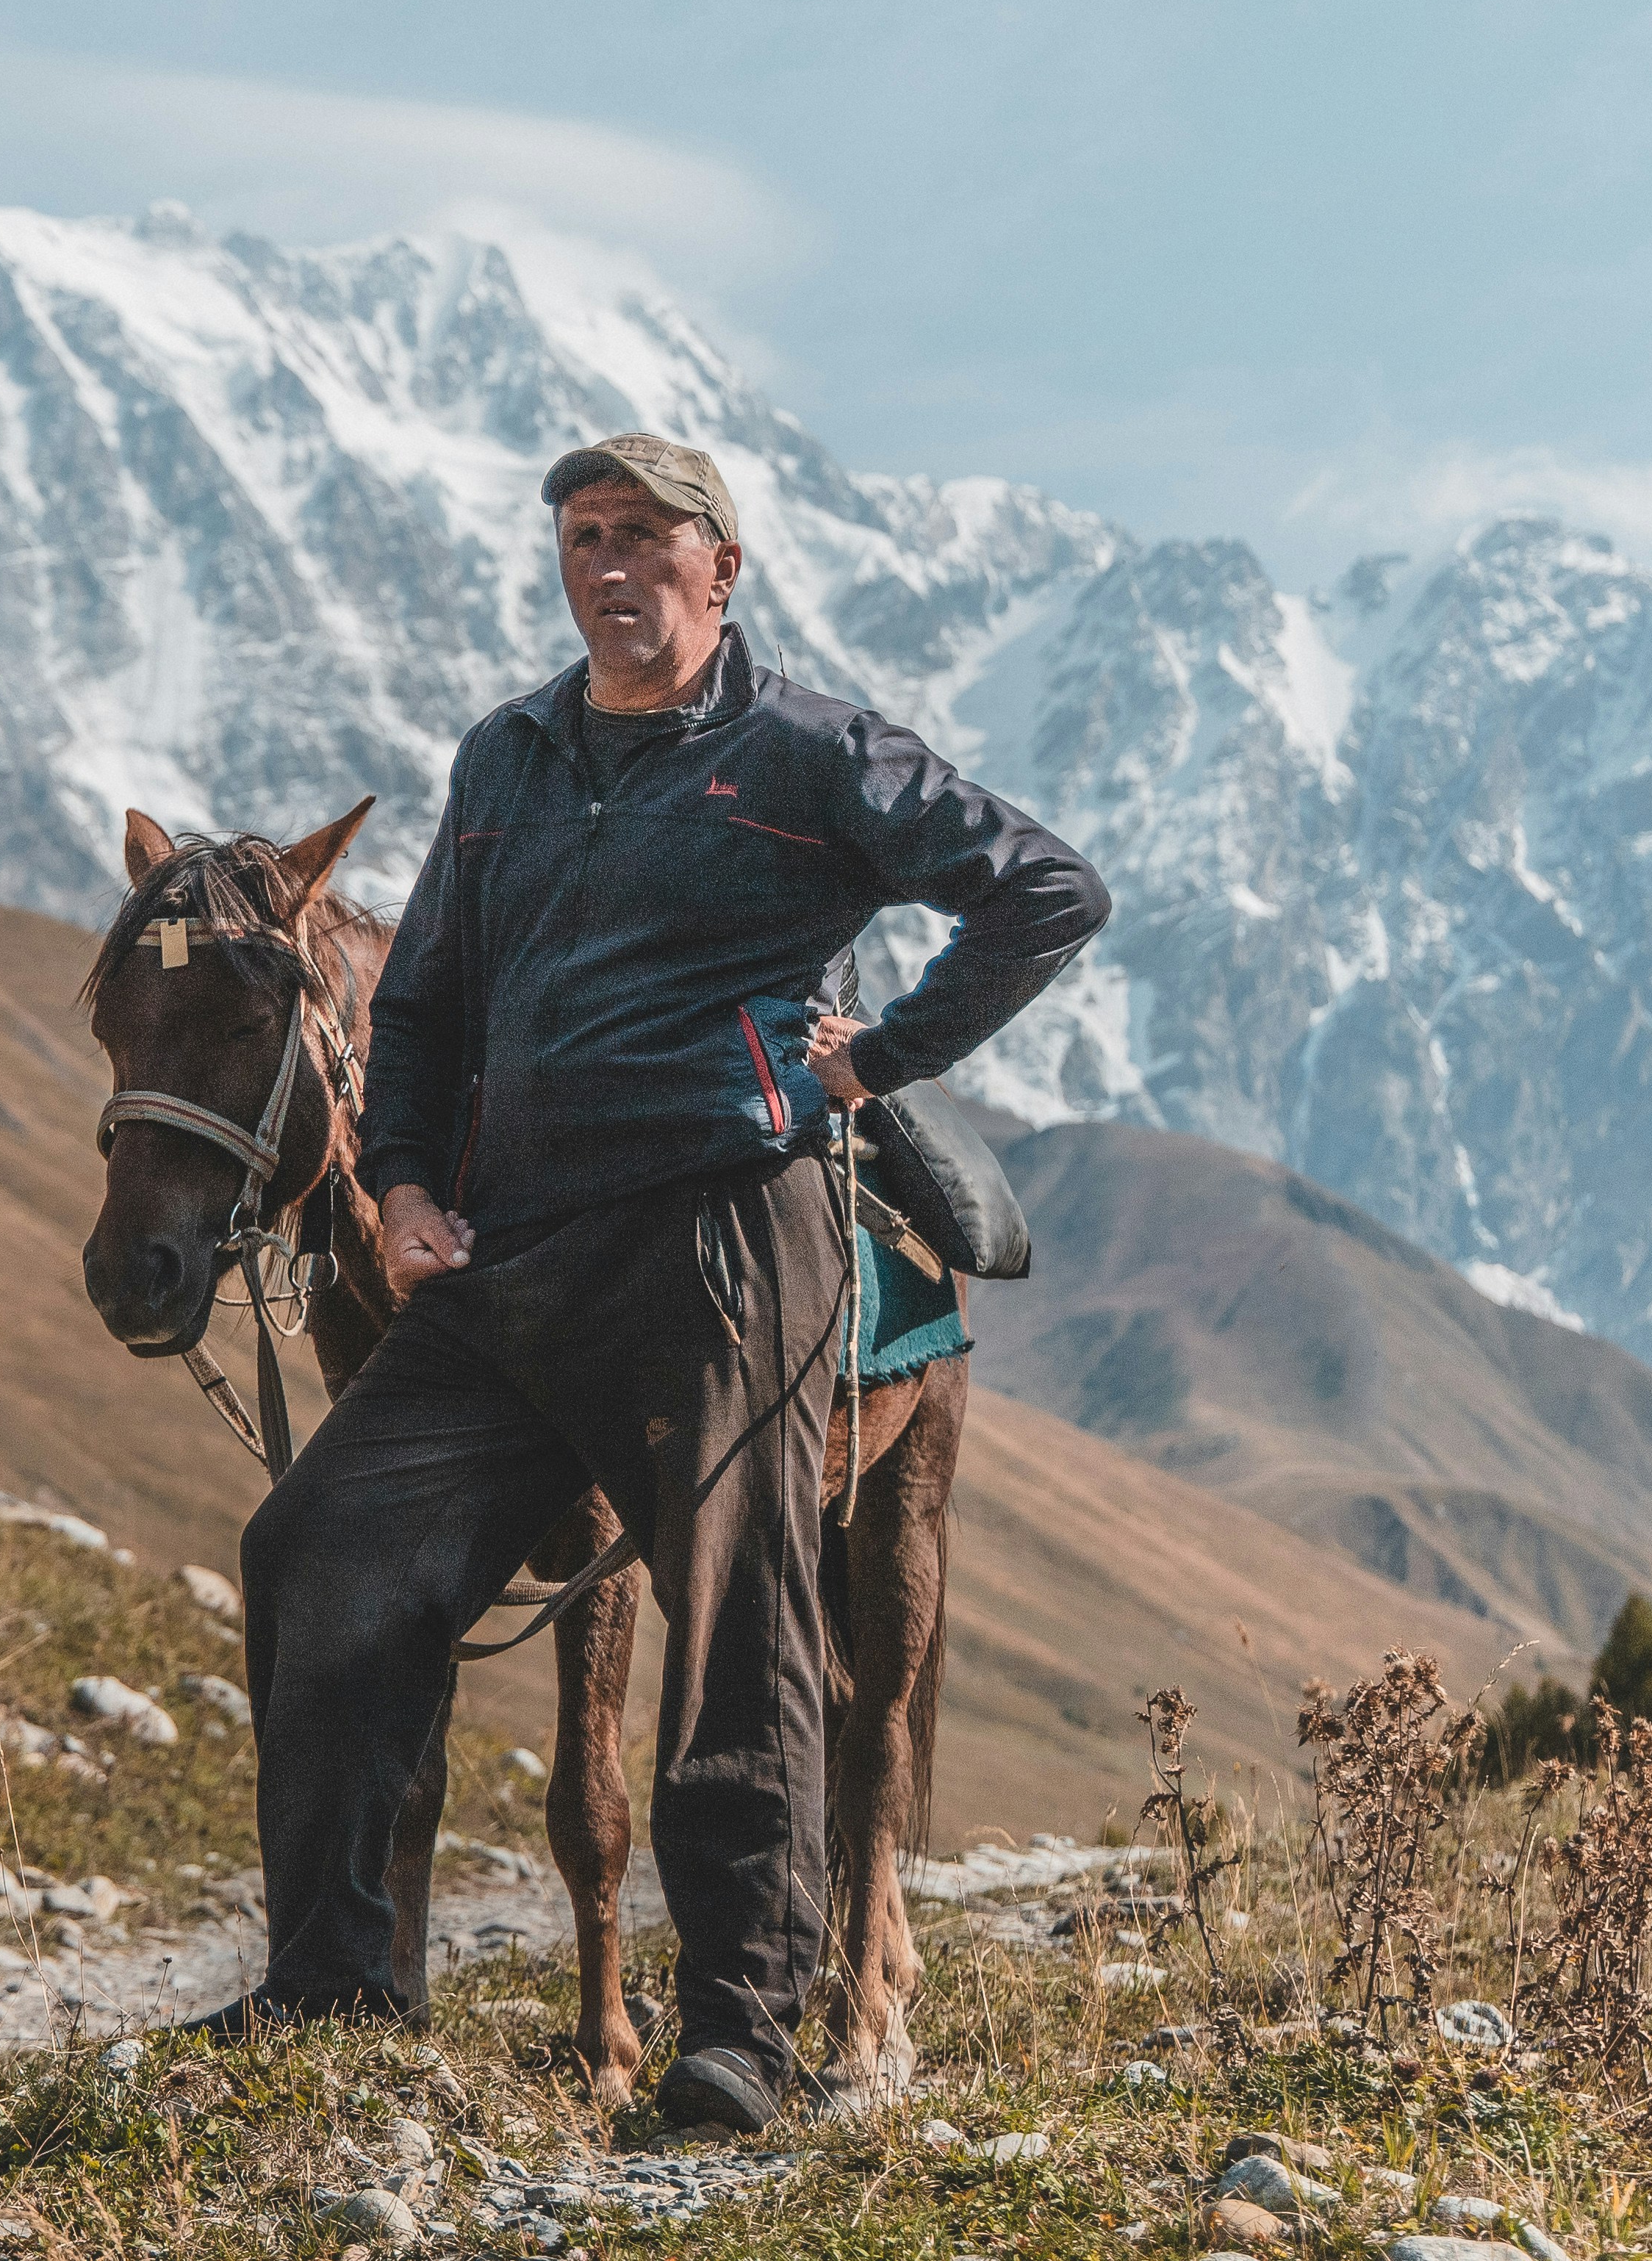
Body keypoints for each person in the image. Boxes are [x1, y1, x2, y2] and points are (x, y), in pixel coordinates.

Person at [222, 431, 1110, 2132]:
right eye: (582, 537)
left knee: (737, 1620)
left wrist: (876, 1060)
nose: (609, 566)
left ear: (722, 571)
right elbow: (417, 1014)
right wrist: (401, 1180)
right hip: (507, 1247)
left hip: (719, 1237)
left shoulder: (812, 753)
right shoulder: (510, 759)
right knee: (319, 1546)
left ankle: (739, 2033)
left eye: (645, 536)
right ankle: (332, 1991)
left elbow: (1047, 893)